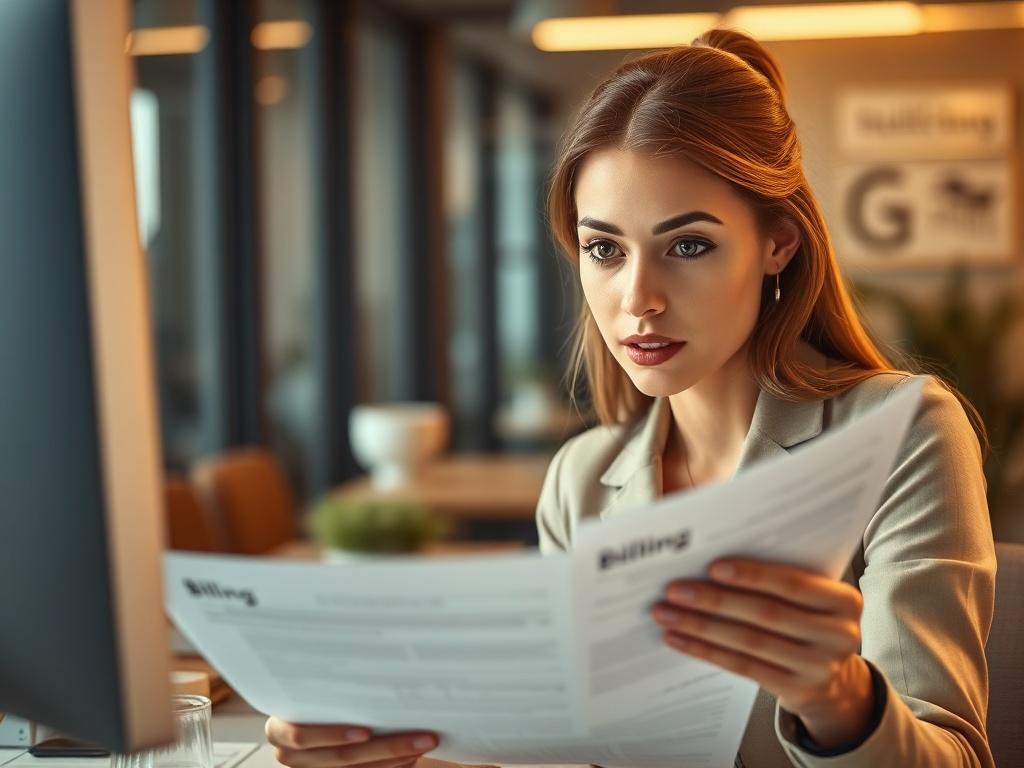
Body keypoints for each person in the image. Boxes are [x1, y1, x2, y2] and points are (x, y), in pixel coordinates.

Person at [264, 28, 996, 768]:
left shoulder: (905, 431)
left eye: (687, 246)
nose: (637, 299)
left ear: (779, 242)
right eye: (604, 249)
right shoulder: (581, 478)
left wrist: (840, 699)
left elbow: (955, 753)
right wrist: (391, 746)